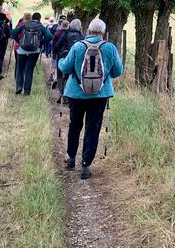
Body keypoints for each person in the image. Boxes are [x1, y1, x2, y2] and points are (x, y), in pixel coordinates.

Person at [58, 19, 122, 179]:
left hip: (76, 93)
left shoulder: (78, 46)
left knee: (75, 125)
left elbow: (65, 67)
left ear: (88, 30)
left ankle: (71, 158)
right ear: (103, 32)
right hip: (100, 95)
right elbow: (117, 72)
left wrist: (60, 61)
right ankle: (86, 165)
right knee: (93, 128)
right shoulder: (109, 48)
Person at [11, 12, 52, 95]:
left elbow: (13, 32)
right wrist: (41, 42)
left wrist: (19, 41)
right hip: (34, 51)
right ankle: (27, 90)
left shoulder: (25, 25)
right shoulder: (41, 26)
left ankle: (19, 87)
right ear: (40, 19)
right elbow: (50, 36)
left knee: (20, 68)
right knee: (29, 70)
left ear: (32, 18)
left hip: (22, 50)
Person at [53, 19, 84, 104]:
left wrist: (55, 52)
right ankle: (69, 95)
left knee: (60, 76)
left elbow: (57, 45)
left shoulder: (66, 34)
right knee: (71, 77)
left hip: (64, 57)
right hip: (77, 61)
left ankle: (62, 93)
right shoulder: (82, 37)